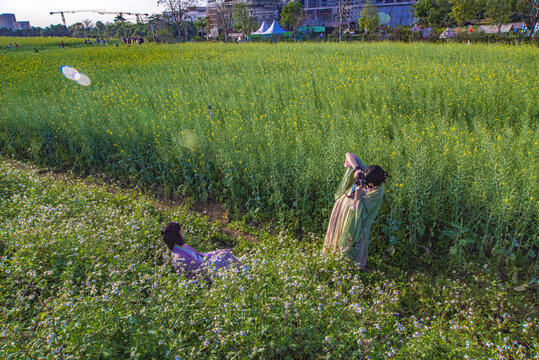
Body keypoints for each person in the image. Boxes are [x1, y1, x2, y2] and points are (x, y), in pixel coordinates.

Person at [323, 153, 388, 269]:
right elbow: (349, 155)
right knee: (339, 232)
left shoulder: (377, 194)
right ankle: (334, 256)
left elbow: (361, 210)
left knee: (352, 240)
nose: (366, 186)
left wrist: (358, 195)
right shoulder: (366, 174)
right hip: (342, 211)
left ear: (373, 184)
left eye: (368, 185)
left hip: (356, 223)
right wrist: (357, 169)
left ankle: (348, 265)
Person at [161, 222, 242, 278]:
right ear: (177, 234)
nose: (182, 233)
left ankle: (242, 271)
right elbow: (201, 269)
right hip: (204, 274)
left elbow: (201, 254)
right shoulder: (180, 257)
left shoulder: (183, 246)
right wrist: (218, 257)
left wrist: (216, 253)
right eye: (180, 231)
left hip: (205, 264)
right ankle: (244, 272)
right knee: (226, 256)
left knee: (225, 256)